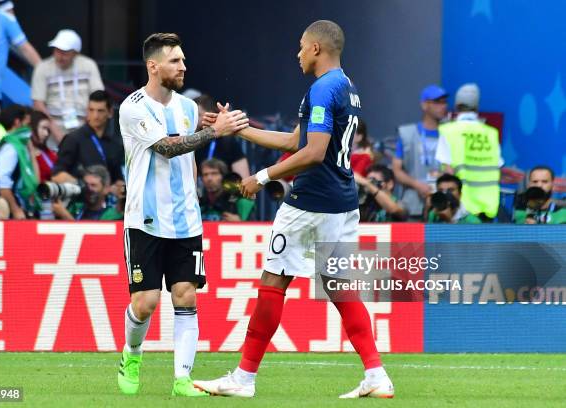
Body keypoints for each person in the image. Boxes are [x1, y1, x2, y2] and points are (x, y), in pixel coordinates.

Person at [196, 20, 394, 399]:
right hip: (342, 203)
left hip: (310, 203)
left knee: (273, 281)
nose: (298, 53)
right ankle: (376, 374)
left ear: (317, 48)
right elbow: (295, 141)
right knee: (339, 286)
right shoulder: (346, 87)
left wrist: (263, 175)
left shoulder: (322, 89)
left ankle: (243, 378)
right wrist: (240, 128)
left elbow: (314, 153)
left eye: (302, 46)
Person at [116, 32, 247, 397]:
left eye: (184, 60)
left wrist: (214, 128)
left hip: (186, 221)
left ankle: (183, 379)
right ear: (153, 66)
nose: (183, 66)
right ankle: (132, 353)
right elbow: (167, 147)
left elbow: (188, 159)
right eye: (175, 61)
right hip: (145, 218)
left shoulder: (189, 108)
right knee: (145, 303)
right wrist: (213, 132)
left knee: (186, 295)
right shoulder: (133, 106)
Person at [436, 83, 503, 220]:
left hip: (462, 207)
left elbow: (448, 171)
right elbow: (498, 169)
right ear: (477, 106)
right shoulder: (491, 133)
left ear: (456, 105)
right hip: (488, 206)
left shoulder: (448, 130)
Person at [31, 29, 104, 142]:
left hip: (85, 124)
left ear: (75, 53)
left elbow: (98, 97)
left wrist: (89, 123)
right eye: (56, 50)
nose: (59, 56)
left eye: (64, 52)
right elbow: (38, 103)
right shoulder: (42, 68)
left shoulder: (88, 65)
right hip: (52, 127)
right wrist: (53, 128)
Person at [392, 84, 448, 219]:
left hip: (442, 205)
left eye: (444, 102)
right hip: (413, 205)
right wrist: (417, 185)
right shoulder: (407, 133)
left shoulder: (448, 134)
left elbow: (450, 167)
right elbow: (397, 170)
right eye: (437, 102)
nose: (443, 106)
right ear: (424, 105)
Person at [51, 90, 123, 188]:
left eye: (100, 111)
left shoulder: (114, 144)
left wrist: (120, 189)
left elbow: (118, 180)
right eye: (91, 110)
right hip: (80, 200)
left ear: (110, 113)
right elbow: (56, 175)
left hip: (107, 201)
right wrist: (84, 185)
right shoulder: (73, 139)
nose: (95, 116)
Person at [0, 104, 40, 219]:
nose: (30, 130)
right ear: (17, 122)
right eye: (28, 124)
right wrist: (15, 209)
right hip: (10, 213)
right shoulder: (10, 147)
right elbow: (0, 179)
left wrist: (31, 152)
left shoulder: (20, 147)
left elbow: (35, 182)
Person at [194, 93, 250, 178]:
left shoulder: (228, 142)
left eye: (198, 115)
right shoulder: (193, 143)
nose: (194, 119)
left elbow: (243, 178)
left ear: (211, 113)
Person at [52, 164, 123, 221]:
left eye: (93, 185)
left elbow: (95, 237)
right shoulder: (75, 208)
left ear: (106, 189)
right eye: (86, 184)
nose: (89, 189)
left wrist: (65, 216)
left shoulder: (113, 216)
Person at [28, 110, 56, 183]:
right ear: (31, 128)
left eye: (48, 130)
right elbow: (34, 183)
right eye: (43, 128)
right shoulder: (23, 154)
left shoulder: (49, 153)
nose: (46, 134)